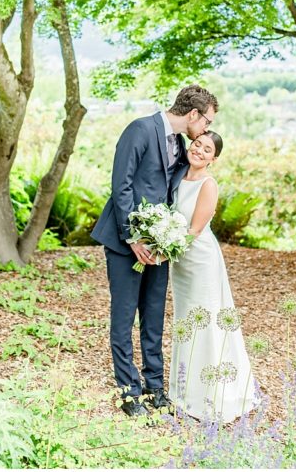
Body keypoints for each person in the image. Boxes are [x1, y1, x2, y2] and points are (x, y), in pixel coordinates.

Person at [91, 85, 219, 416]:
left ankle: (155, 387)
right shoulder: (140, 130)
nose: (205, 130)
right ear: (194, 114)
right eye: (206, 122)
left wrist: (168, 238)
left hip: (161, 246)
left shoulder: (179, 143)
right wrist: (133, 238)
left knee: (153, 316)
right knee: (123, 317)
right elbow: (122, 186)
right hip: (125, 244)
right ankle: (128, 392)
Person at [169, 131, 260, 422]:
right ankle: (183, 389)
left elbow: (194, 230)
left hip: (200, 260)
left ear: (214, 159)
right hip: (180, 262)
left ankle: (210, 395)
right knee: (185, 321)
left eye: (206, 149)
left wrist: (162, 251)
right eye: (197, 144)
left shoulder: (208, 185)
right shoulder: (178, 177)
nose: (199, 150)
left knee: (205, 320)